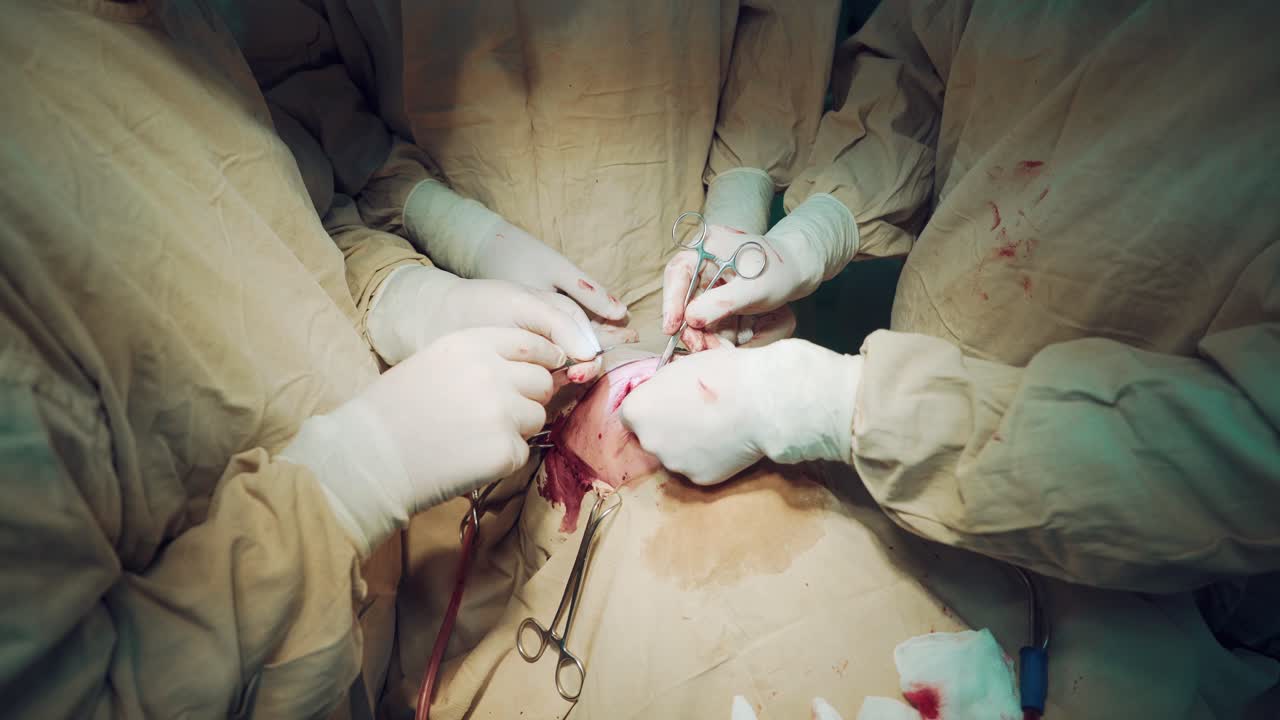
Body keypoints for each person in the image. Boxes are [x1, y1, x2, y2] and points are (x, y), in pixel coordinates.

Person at [622, 0, 1280, 715]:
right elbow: (916, 64)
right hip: (909, 457)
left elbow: (1244, 455)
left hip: (1145, 557)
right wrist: (820, 225)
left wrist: (829, 406)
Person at [0, 1, 603, 716]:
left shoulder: (176, 25)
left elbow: (284, 225)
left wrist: (406, 292)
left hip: (397, 628)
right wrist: (349, 483)